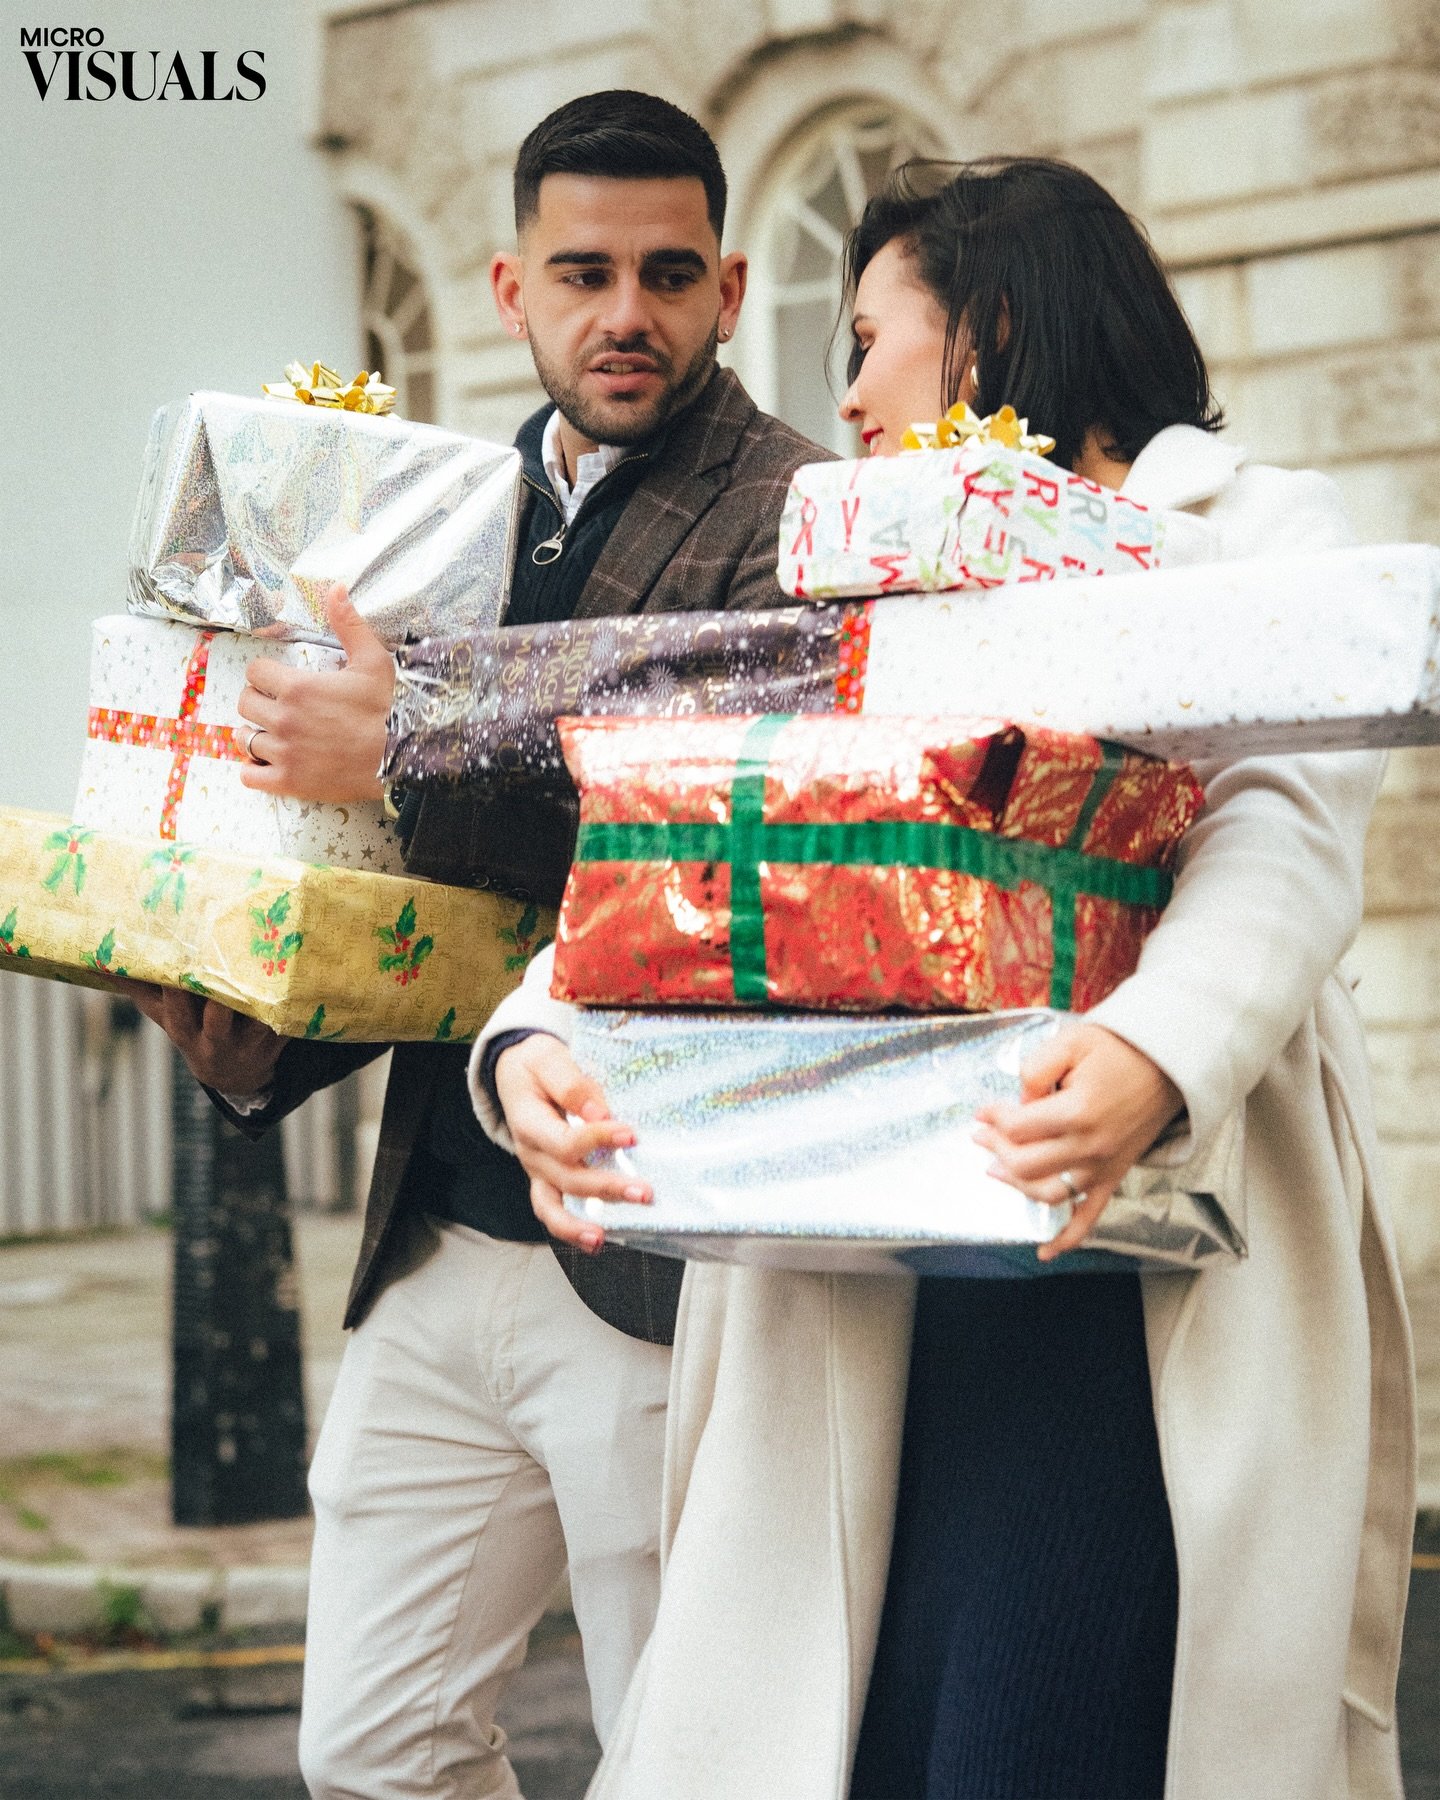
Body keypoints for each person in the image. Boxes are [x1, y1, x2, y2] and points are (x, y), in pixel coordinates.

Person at [475, 157, 1417, 1800]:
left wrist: (1155, 1052)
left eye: (866, 340)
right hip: (859, 1273)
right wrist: (535, 1041)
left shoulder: (1255, 524)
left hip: (1131, 1267)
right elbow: (732, 828)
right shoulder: (858, 560)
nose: (841, 395)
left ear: (991, 326)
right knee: (871, 1744)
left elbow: (1282, 823)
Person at [127, 90, 824, 1800]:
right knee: (375, 1749)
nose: (627, 313)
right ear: (512, 288)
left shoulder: (795, 513)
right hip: (434, 1228)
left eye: (669, 274)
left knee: (691, 1758)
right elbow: (399, 871)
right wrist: (259, 1036)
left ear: (732, 288)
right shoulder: (436, 506)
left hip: (656, 1252)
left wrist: (410, 746)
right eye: (583, 273)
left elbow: (705, 830)